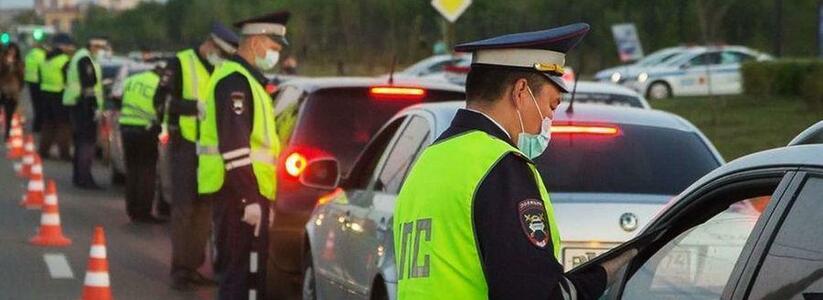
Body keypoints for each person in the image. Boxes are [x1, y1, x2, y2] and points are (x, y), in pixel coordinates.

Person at [393, 23, 637, 300]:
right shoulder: (500, 167)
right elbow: (534, 294)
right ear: (521, 92)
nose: (549, 120)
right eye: (552, 105)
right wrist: (606, 274)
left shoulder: (428, 162)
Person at [197, 11, 288, 299]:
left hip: (249, 193)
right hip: (236, 194)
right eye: (273, 48)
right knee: (238, 277)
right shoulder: (234, 83)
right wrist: (250, 199)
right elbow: (235, 148)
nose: (275, 55)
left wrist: (263, 200)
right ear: (256, 42)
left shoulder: (250, 82)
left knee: (252, 277)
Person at [153, 22, 240, 290]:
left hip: (211, 152)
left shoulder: (221, 68)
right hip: (185, 146)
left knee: (204, 211)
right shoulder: (180, 63)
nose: (222, 59)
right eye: (221, 53)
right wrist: (192, 107)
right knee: (183, 209)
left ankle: (193, 266)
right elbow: (161, 102)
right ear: (211, 45)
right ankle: (180, 269)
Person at [118, 65, 165, 223]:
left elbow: (117, 97)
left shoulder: (132, 80)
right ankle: (143, 211)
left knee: (132, 171)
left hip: (126, 127)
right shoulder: (158, 84)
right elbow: (162, 108)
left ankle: (131, 209)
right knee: (147, 172)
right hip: (146, 129)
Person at [63, 37, 108, 189]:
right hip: (84, 104)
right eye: (100, 47)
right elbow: (89, 83)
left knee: (80, 142)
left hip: (78, 103)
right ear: (93, 46)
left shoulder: (80, 57)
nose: (102, 51)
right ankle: (84, 178)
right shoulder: (85, 59)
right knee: (86, 143)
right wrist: (94, 106)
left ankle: (79, 176)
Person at [38, 33, 74, 160]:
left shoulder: (45, 59)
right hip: (60, 94)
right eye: (69, 45)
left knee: (48, 124)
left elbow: (40, 77)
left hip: (45, 94)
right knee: (64, 125)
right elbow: (69, 79)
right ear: (63, 46)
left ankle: (43, 151)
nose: (71, 48)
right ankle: (64, 152)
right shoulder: (64, 60)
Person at [0, 43, 25, 140]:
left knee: (9, 112)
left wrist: (19, 88)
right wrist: (7, 65)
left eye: (14, 51)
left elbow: (21, 77)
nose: (12, 52)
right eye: (10, 50)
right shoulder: (2, 60)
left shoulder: (19, 62)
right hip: (2, 89)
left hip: (13, 90)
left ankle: (8, 133)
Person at [23, 40, 47, 133]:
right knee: (40, 105)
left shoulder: (29, 54)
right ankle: (39, 126)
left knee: (35, 104)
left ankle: (36, 126)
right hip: (39, 81)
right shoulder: (42, 55)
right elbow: (43, 68)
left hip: (30, 81)